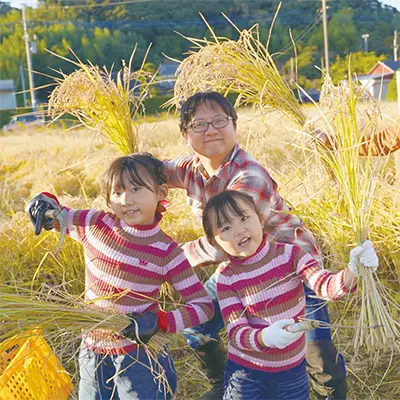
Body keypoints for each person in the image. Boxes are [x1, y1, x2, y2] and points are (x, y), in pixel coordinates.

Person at [163, 91, 347, 399]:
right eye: (200, 124)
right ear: (185, 134)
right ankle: (229, 387)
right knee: (198, 328)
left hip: (291, 267)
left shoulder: (250, 176)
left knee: (316, 354)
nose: (211, 130)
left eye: (220, 121)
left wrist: (172, 259)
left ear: (234, 125)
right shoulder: (189, 169)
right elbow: (150, 173)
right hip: (240, 269)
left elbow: (229, 241)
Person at [25, 153, 214, 400]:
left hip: (139, 357)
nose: (126, 200)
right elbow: (58, 215)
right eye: (117, 192)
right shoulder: (95, 224)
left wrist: (160, 321)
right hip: (92, 350)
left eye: (136, 189)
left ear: (161, 192)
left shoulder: (167, 252)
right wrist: (42, 203)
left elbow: (203, 307)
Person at [202, 190, 379, 400]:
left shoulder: (290, 255)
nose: (239, 230)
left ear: (260, 218)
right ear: (214, 242)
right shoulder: (227, 276)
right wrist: (264, 337)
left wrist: (353, 271)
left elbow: (325, 286)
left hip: (291, 372)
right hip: (247, 374)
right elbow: (235, 330)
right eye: (226, 228)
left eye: (244, 218)